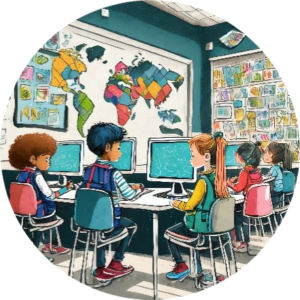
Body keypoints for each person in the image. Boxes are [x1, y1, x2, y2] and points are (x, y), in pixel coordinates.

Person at [81, 122, 143, 283]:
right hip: (109, 222)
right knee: (130, 226)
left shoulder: (87, 171)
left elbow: (96, 193)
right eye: (119, 147)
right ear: (108, 147)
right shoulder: (114, 174)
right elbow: (129, 196)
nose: (121, 152)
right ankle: (116, 263)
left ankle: (100, 267)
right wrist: (139, 189)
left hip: (88, 221)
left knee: (99, 228)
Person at [165, 132, 228, 288]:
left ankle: (182, 266)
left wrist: (176, 203)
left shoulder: (203, 181)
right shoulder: (219, 178)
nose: (190, 158)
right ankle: (198, 271)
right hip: (218, 234)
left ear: (206, 157)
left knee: (168, 234)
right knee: (192, 230)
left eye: (193, 154)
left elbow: (189, 206)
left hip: (202, 233)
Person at [8, 133, 72, 255]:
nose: (49, 163)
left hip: (24, 216)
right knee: (52, 214)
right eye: (46, 159)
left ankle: (47, 245)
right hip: (39, 215)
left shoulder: (20, 175)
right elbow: (51, 195)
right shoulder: (37, 176)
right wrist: (65, 189)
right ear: (33, 159)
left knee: (43, 220)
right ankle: (50, 245)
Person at [226, 141, 263, 253]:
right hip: (253, 204)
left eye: (236, 153)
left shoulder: (244, 172)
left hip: (245, 205)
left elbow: (238, 189)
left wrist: (229, 183)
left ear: (241, 156)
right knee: (243, 219)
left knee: (235, 220)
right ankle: (246, 241)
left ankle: (239, 242)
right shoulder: (256, 171)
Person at [260, 141, 293, 225]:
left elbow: (269, 177)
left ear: (274, 157)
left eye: (268, 154)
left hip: (276, 192)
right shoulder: (278, 167)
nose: (265, 155)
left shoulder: (275, 168)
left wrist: (262, 177)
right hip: (280, 192)